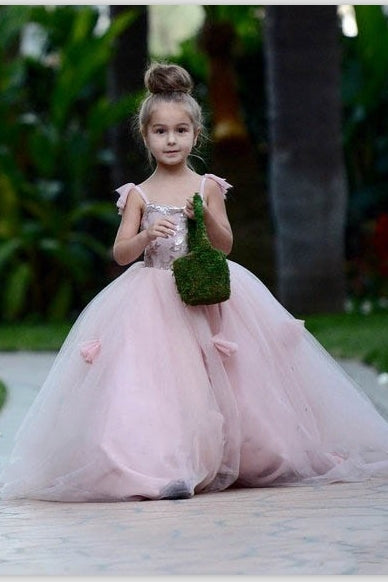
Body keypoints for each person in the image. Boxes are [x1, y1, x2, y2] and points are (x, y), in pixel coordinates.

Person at [1, 62, 388, 503]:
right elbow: (121, 252)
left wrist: (200, 219)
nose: (171, 140)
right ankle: (163, 463)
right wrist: (147, 234)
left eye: (181, 131)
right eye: (161, 132)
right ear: (146, 137)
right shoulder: (138, 194)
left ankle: (241, 453)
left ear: (196, 134)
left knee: (225, 377)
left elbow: (224, 246)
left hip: (206, 295)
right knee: (154, 382)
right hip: (152, 296)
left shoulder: (207, 186)